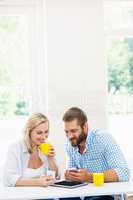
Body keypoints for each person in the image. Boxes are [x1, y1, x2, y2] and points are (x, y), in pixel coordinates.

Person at [62, 107, 130, 200]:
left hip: (105, 194)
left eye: (73, 131)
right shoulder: (70, 144)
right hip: (84, 194)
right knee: (64, 198)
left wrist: (90, 177)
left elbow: (124, 173)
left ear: (85, 126)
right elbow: (72, 172)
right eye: (66, 131)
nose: (69, 136)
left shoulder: (102, 138)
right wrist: (70, 176)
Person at [3, 113, 59, 187]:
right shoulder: (15, 148)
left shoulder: (46, 146)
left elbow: (56, 177)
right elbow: (9, 179)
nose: (44, 137)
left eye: (46, 132)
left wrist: (51, 159)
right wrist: (37, 182)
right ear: (29, 131)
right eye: (39, 133)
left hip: (44, 195)